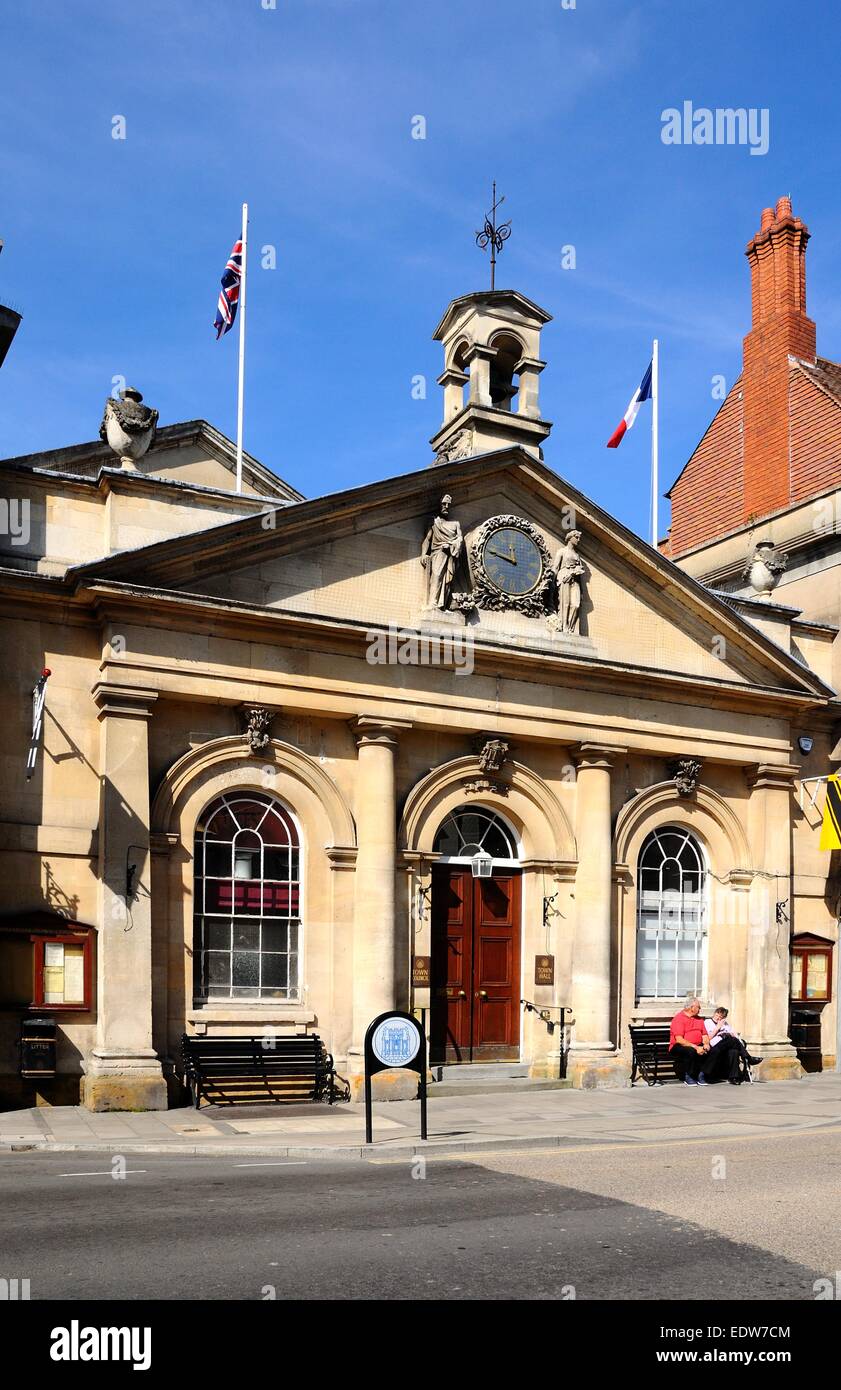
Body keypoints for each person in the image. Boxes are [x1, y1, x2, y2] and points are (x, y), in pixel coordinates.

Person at [704, 1007, 762, 1085]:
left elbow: (734, 1034)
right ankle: (748, 1058)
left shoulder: (725, 1024)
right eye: (717, 1015)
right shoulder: (707, 1022)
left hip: (726, 1045)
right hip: (715, 1045)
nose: (718, 1018)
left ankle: (734, 1077)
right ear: (715, 1013)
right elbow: (708, 1037)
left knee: (733, 1051)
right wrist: (718, 1027)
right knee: (732, 1040)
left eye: (721, 1017)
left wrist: (732, 1034)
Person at [669, 999, 714, 1085]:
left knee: (713, 1050)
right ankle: (689, 1076)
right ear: (691, 1008)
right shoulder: (679, 1019)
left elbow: (704, 1035)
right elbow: (679, 1040)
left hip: (697, 1045)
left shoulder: (699, 1020)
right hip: (678, 1046)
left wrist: (706, 1044)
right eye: (698, 1007)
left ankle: (702, 1074)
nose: (700, 1009)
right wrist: (696, 1047)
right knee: (690, 1051)